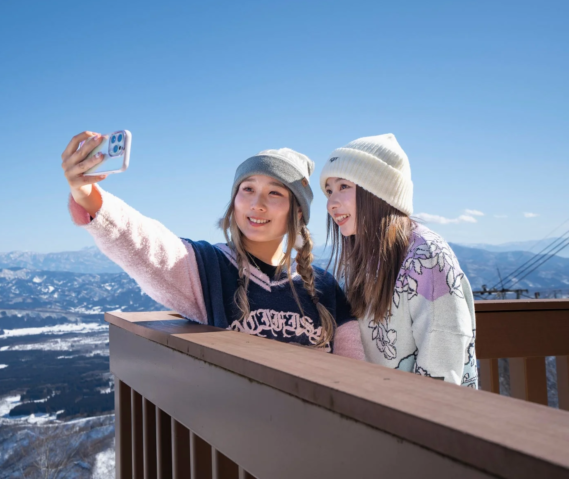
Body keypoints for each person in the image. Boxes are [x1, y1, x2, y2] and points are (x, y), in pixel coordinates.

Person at [62, 131, 364, 357]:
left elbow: (354, 374)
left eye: (275, 193)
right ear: (234, 201)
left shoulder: (324, 288)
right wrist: (87, 195)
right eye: (248, 189)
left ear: (297, 212)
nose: (256, 204)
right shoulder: (211, 268)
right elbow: (148, 245)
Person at [320, 133, 477, 386]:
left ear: (378, 190)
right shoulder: (361, 259)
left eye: (343, 186)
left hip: (418, 417)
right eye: (328, 191)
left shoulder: (426, 256)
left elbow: (443, 363)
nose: (331, 203)